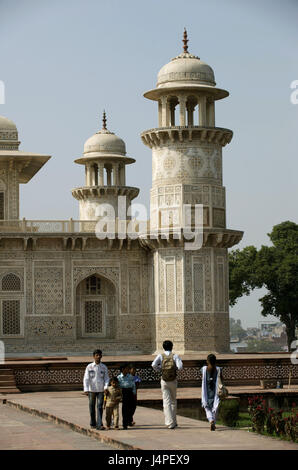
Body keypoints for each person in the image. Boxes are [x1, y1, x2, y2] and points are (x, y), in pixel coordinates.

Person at [151, 340, 183, 429]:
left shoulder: (160, 356)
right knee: (173, 400)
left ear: (163, 347)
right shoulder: (175, 356)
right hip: (173, 380)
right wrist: (175, 368)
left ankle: (169, 422)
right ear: (172, 347)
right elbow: (180, 367)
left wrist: (160, 369)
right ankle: (174, 421)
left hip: (164, 380)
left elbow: (153, 365)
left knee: (166, 401)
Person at [83, 349, 109, 430]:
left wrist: (105, 387)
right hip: (91, 390)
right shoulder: (89, 366)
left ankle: (99, 424)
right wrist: (86, 389)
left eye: (99, 355)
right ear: (93, 356)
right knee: (91, 407)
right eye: (97, 355)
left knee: (100, 407)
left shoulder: (104, 367)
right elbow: (86, 378)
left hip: (101, 390)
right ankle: (93, 423)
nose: (98, 357)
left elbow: (106, 378)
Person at [201, 353, 222, 431]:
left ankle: (211, 420)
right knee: (215, 407)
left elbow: (203, 378)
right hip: (216, 392)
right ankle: (214, 422)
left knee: (207, 408)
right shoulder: (219, 369)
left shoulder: (203, 369)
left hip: (207, 391)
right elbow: (222, 379)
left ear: (207, 361)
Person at [117, 363, 136, 430]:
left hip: (130, 392)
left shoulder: (130, 376)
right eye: (127, 368)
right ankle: (125, 423)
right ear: (123, 369)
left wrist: (134, 392)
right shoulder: (119, 377)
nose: (128, 370)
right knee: (125, 408)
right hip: (123, 392)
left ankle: (129, 420)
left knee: (132, 407)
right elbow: (118, 386)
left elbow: (133, 384)